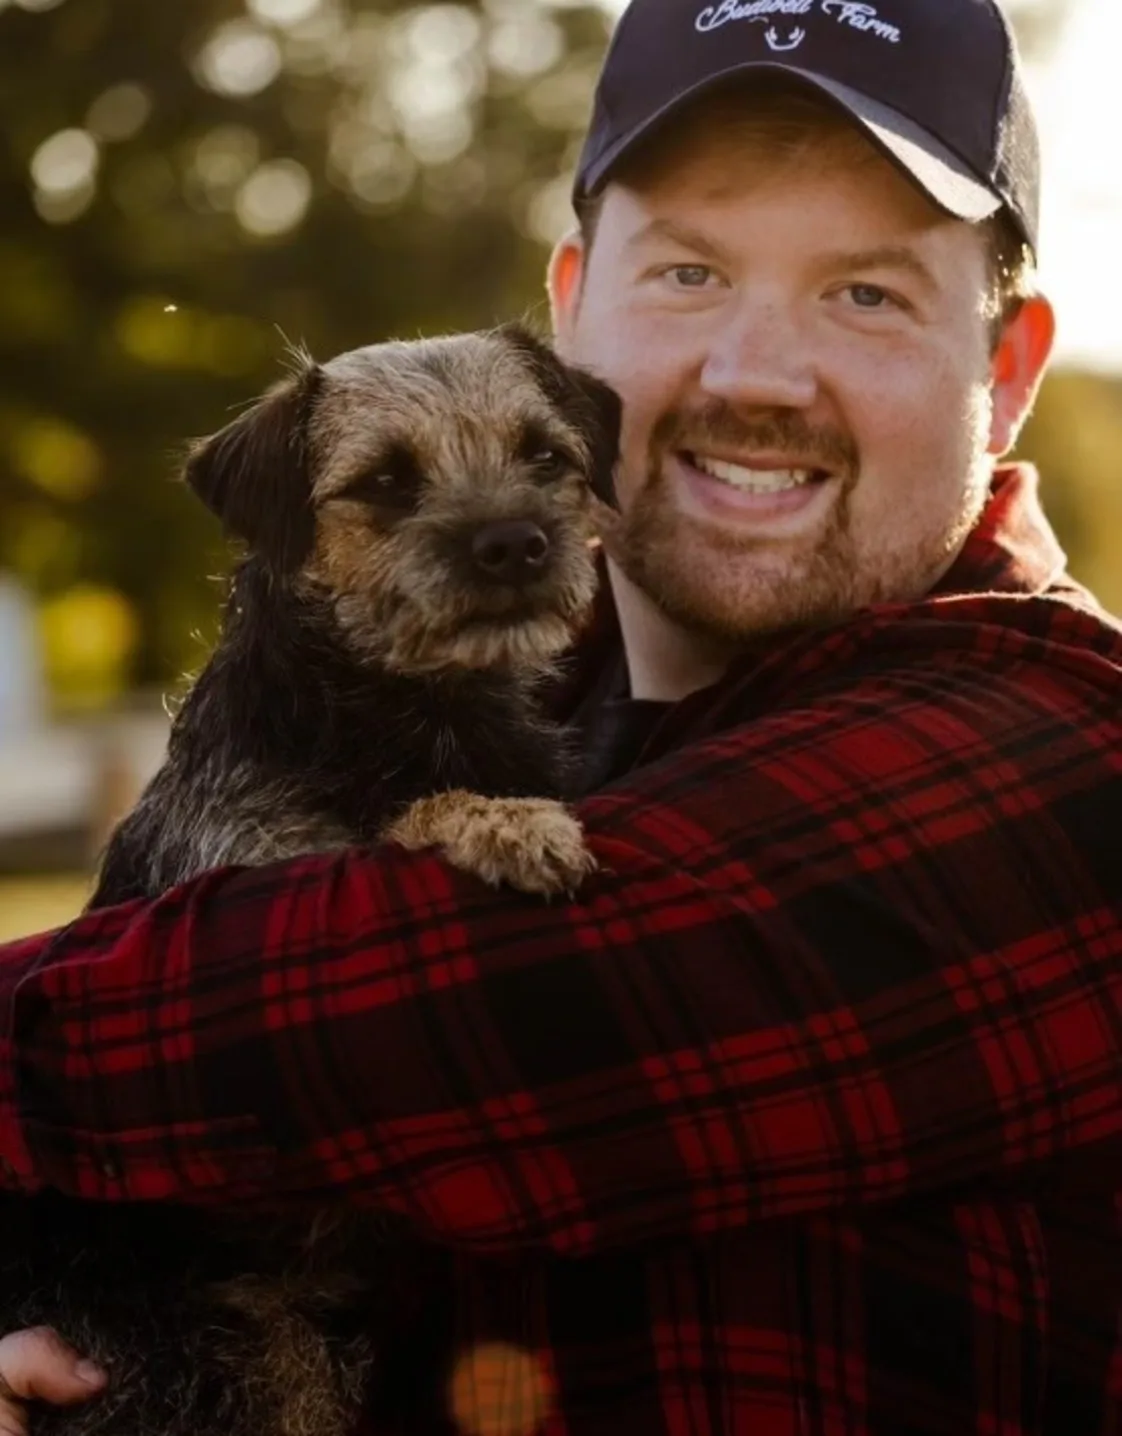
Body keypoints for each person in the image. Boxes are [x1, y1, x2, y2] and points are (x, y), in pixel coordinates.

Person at [1, 0, 1121, 1431]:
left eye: (867, 295)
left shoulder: (1061, 751)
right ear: (571, 309)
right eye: (692, 271)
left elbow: (380, 1017)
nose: (753, 373)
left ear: (1008, 369)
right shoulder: (517, 723)